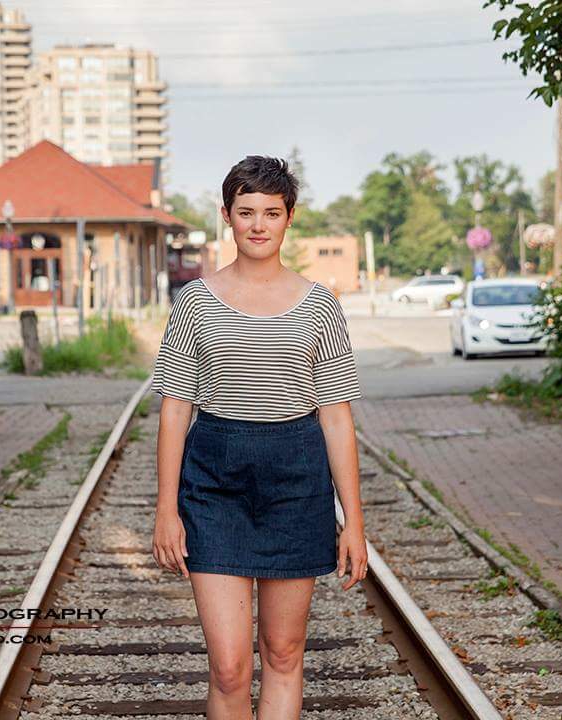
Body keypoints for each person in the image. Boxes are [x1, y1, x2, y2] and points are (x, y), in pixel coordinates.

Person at [151, 155, 369, 720]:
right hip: (214, 486)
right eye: (245, 211)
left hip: (296, 486)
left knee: (283, 651)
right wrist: (166, 509)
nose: (257, 224)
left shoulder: (319, 304)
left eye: (271, 212)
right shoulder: (195, 302)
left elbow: (336, 416)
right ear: (227, 215)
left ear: (288, 218)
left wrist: (355, 525)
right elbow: (176, 409)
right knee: (228, 666)